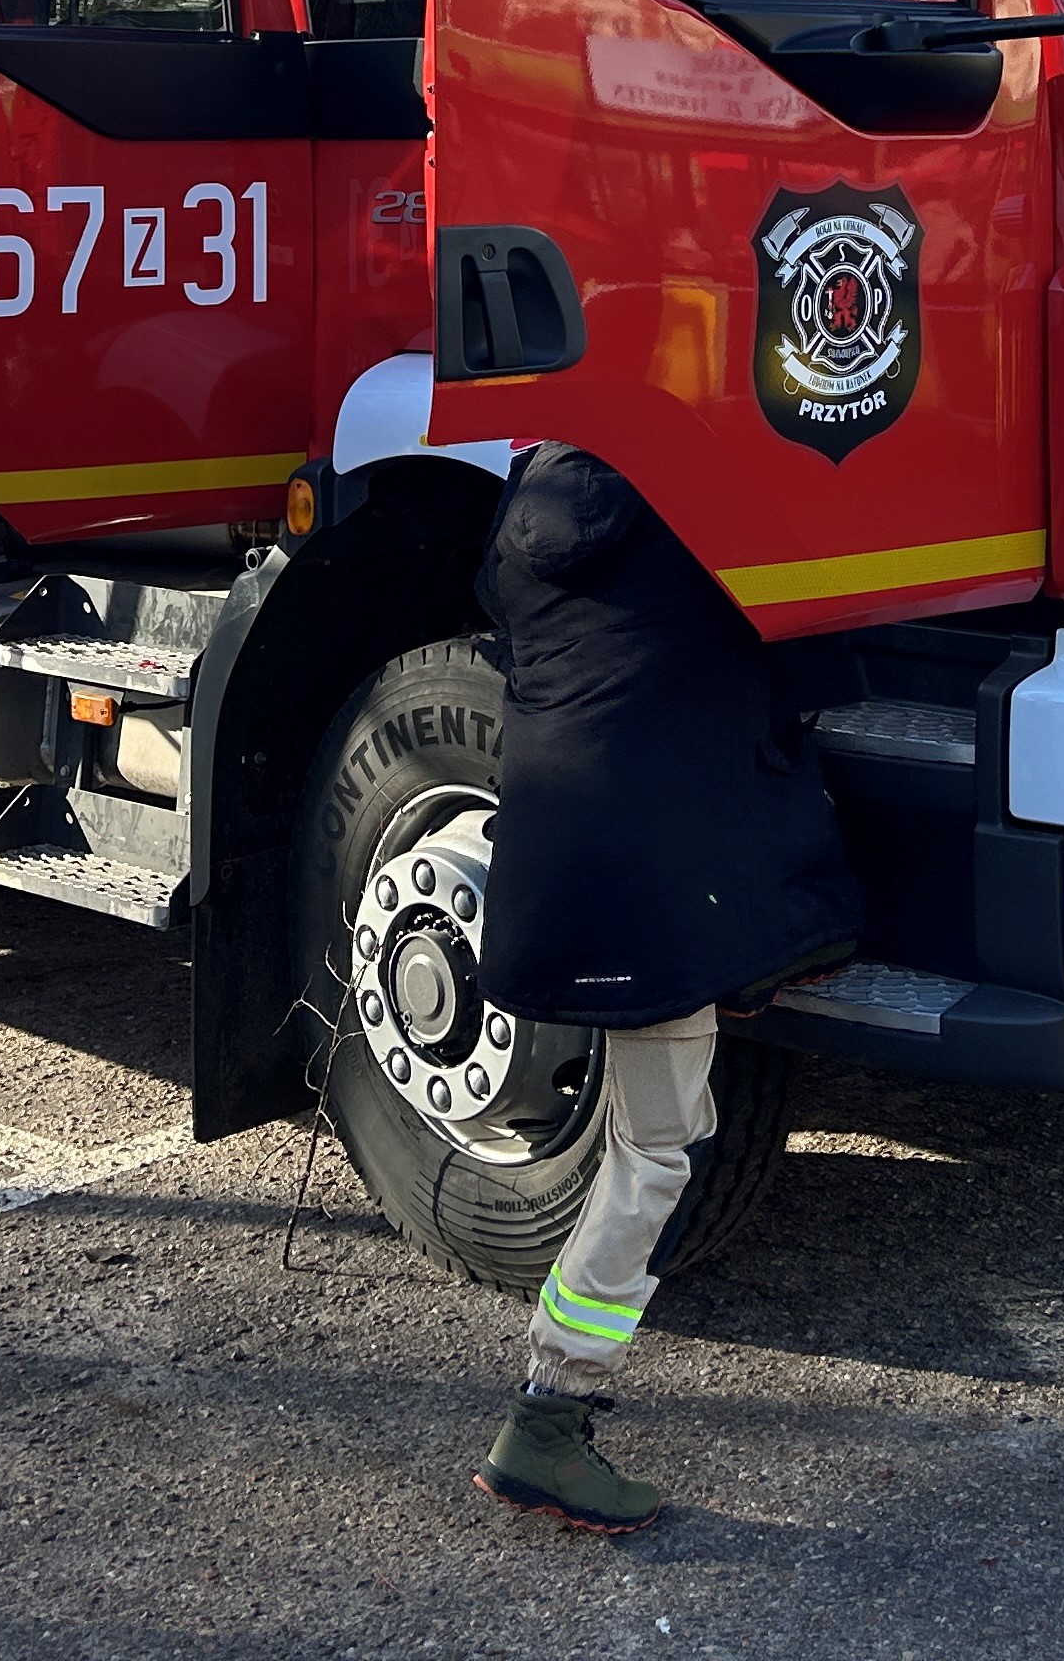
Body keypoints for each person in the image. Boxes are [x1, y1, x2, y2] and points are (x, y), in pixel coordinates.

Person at [467, 445, 862, 1536]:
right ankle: (547, 1418)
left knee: (654, 1129)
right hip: (649, 894)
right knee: (657, 1154)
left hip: (551, 857)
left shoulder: (527, 500)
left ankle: (551, 1412)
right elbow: (811, 673)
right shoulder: (710, 504)